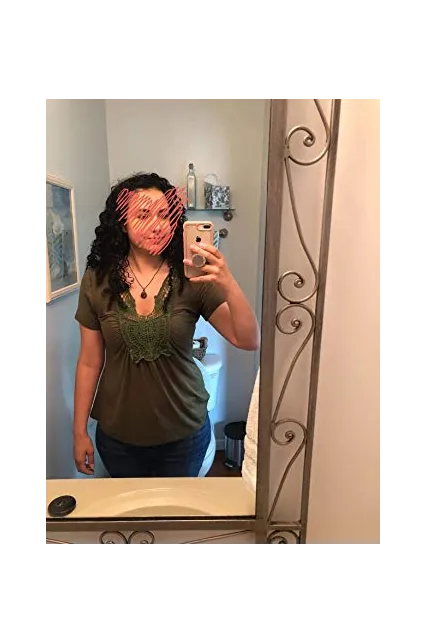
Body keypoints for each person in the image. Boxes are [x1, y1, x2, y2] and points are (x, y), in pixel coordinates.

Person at [73, 172, 260, 478]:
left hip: (184, 435)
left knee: (178, 510)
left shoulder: (192, 277)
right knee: (132, 509)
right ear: (122, 222)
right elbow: (89, 362)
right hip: (118, 437)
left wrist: (227, 281)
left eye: (164, 214)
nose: (157, 224)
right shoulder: (97, 280)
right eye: (143, 215)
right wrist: (79, 431)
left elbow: (249, 339)